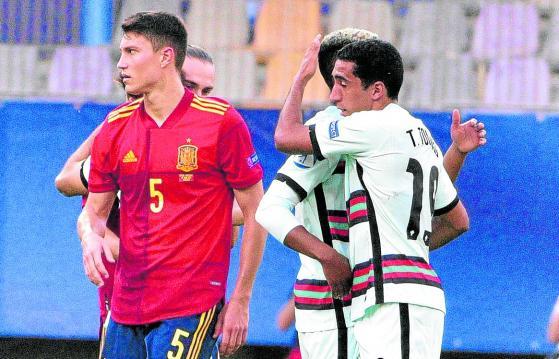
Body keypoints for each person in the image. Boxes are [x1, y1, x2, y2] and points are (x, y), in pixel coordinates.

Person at [256, 30, 486, 359]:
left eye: (344, 83)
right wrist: (329, 257)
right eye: (335, 82)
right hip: (338, 302)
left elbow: (284, 137)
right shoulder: (407, 130)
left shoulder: (364, 129)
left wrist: (298, 81)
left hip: (379, 294)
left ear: (375, 87)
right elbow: (437, 209)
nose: (336, 96)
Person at [78, 11, 266, 358]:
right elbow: (93, 212)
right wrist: (90, 236)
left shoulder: (221, 123)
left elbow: (257, 210)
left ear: (166, 57)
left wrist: (241, 298)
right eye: (122, 53)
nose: (121, 64)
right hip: (125, 303)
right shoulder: (114, 127)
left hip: (192, 302)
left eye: (132, 52)